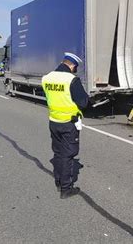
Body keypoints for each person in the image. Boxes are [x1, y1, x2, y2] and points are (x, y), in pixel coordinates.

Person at [42, 52, 89, 199]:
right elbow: (83, 102)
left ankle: (58, 182)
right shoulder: (71, 80)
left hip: (54, 121)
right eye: (76, 67)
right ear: (73, 65)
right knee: (68, 155)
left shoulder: (47, 78)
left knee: (58, 152)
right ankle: (66, 188)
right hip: (69, 123)